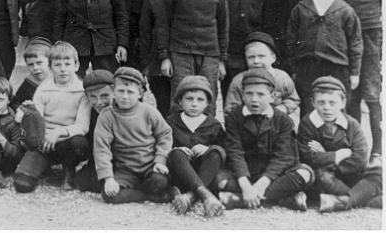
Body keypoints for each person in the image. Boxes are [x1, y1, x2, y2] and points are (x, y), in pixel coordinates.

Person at [217, 68, 314, 211]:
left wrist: (261, 185)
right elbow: (234, 152)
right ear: (242, 95)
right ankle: (283, 199)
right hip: (246, 173)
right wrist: (245, 185)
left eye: (261, 94)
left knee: (306, 174)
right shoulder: (233, 117)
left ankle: (239, 200)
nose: (254, 99)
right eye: (249, 94)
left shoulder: (283, 120)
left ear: (272, 96)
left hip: (274, 175)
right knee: (219, 179)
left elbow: (283, 157)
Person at [286, 0, 362, 116]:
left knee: (336, 111)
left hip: (337, 68)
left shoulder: (345, 10)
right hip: (308, 68)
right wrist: (293, 69)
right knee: (308, 109)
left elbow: (355, 43)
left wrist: (354, 72)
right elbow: (291, 41)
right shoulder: (301, 9)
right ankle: (307, 141)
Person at [157, 0, 228, 115]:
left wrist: (222, 60)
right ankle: (177, 136)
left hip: (210, 53)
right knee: (181, 92)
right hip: (181, 51)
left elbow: (223, 27)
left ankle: (208, 134)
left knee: (208, 93)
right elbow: (163, 24)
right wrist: (165, 56)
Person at [13, 41, 91, 193]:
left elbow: (83, 126)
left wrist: (57, 133)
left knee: (78, 143)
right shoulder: (43, 89)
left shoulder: (82, 91)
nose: (63, 69)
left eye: (67, 64)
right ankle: (44, 166)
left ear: (76, 65)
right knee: (22, 184)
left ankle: (68, 169)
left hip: (67, 141)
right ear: (50, 67)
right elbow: (38, 120)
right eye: (57, 65)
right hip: (44, 141)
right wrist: (42, 133)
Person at [297, 76, 382, 212]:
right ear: (313, 103)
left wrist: (324, 155)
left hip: (349, 175)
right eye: (321, 102)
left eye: (332, 103)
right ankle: (360, 197)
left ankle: (344, 200)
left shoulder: (352, 124)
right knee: (321, 175)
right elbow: (307, 156)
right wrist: (338, 155)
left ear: (343, 103)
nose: (327, 108)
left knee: (379, 172)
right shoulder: (308, 124)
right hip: (326, 179)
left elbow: (360, 159)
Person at [335, 0, 382, 165]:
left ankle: (377, 150)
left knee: (372, 95)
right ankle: (357, 147)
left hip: (371, 38)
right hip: (347, 38)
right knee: (350, 94)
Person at [93, 66, 173, 204]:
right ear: (113, 91)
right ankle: (152, 196)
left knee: (160, 181)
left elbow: (165, 134)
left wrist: (160, 160)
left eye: (130, 92)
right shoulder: (107, 116)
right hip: (125, 171)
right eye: (120, 91)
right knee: (109, 195)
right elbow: (101, 148)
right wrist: (108, 178)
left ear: (140, 94)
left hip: (150, 167)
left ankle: (145, 191)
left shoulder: (149, 112)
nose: (124, 96)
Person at [166, 76, 225, 217]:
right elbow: (163, 144)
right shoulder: (171, 122)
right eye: (189, 99)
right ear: (180, 101)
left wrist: (208, 149)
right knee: (176, 154)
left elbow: (225, 148)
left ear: (207, 103)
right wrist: (175, 149)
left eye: (200, 100)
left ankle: (190, 197)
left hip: (205, 173)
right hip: (181, 172)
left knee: (216, 152)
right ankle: (205, 196)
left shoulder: (213, 124)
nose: (194, 104)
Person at [218, 0, 268, 101]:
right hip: (230, 54)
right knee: (232, 95)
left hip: (255, 55)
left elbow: (266, 24)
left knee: (256, 93)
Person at [138, 0, 183, 115]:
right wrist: (147, 64)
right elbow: (145, 32)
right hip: (157, 62)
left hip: (183, 59)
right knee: (164, 104)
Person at [224, 32, 300, 128]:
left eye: (261, 56)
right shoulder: (239, 80)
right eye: (251, 57)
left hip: (276, 123)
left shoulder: (282, 77)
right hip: (248, 124)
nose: (256, 61)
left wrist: (283, 108)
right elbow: (231, 109)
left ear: (273, 58)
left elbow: (293, 99)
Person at [73, 69, 116, 193]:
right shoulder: (87, 114)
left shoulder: (123, 110)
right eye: (93, 97)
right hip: (98, 159)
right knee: (85, 184)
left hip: (123, 159)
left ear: (114, 92)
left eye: (104, 96)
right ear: (86, 97)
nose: (99, 102)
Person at [10, 36, 52, 110]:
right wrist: (21, 108)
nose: (35, 68)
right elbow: (16, 102)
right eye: (30, 64)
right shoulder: (29, 83)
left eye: (39, 63)